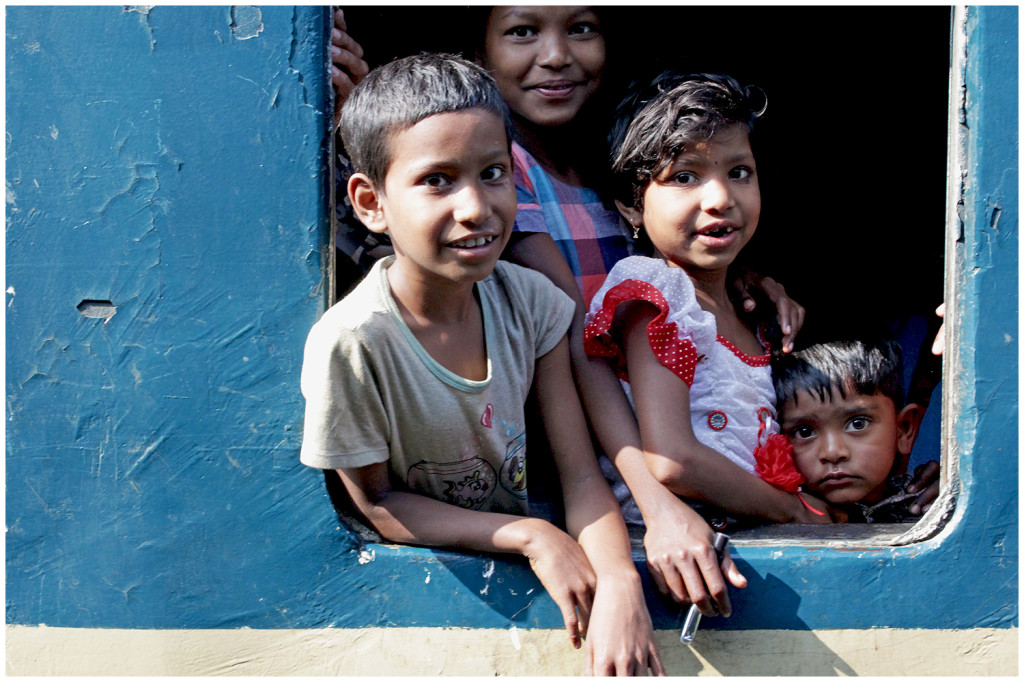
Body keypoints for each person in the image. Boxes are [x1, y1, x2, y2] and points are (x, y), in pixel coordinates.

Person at [300, 53, 662, 676]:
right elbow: (379, 505)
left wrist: (621, 583)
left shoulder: (533, 305)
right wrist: (528, 536)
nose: (475, 207)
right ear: (370, 202)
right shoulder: (354, 342)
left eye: (492, 173)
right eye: (437, 180)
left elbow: (580, 479)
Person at [583, 73, 836, 529]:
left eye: (739, 172)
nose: (720, 198)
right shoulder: (660, 297)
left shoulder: (748, 309)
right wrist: (793, 512)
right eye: (684, 177)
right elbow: (672, 458)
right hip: (682, 551)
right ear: (630, 203)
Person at [773, 339, 938, 522]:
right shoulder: (777, 512)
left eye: (858, 424)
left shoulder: (928, 502)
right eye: (804, 432)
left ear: (903, 430)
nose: (833, 452)